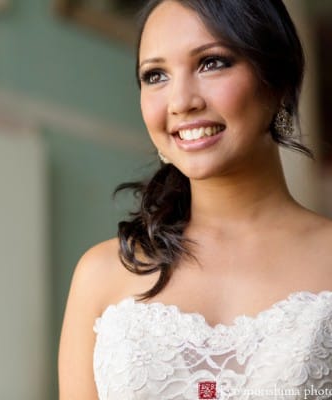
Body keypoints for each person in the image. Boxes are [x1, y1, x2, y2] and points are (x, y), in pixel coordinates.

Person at [58, 0, 332, 399]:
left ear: (277, 82)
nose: (181, 101)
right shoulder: (100, 276)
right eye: (155, 75)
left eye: (212, 63)